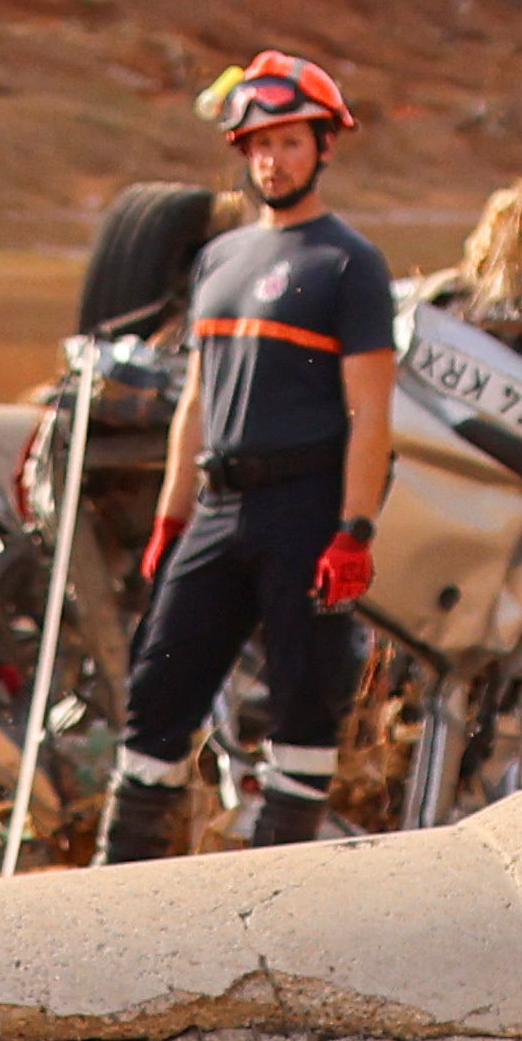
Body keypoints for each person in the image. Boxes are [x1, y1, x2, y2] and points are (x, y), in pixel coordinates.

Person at [104, 52, 397, 861]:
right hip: (218, 505)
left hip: (305, 506)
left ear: (323, 147)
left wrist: (356, 531)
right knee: (158, 684)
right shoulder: (218, 259)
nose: (274, 159)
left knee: (304, 702)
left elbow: (372, 409)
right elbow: (195, 401)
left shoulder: (350, 263)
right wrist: (170, 518)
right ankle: (114, 883)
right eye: (260, 144)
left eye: (291, 142)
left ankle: (280, 890)